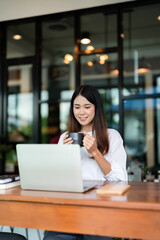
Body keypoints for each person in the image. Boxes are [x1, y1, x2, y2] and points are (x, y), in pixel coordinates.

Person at [43, 85, 127, 240]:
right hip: (70, 209)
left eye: (87, 107)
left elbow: (119, 180)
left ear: (96, 108)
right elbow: (58, 179)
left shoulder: (112, 136)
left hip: (101, 209)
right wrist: (64, 155)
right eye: (77, 107)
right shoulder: (65, 137)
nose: (81, 112)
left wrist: (95, 151)